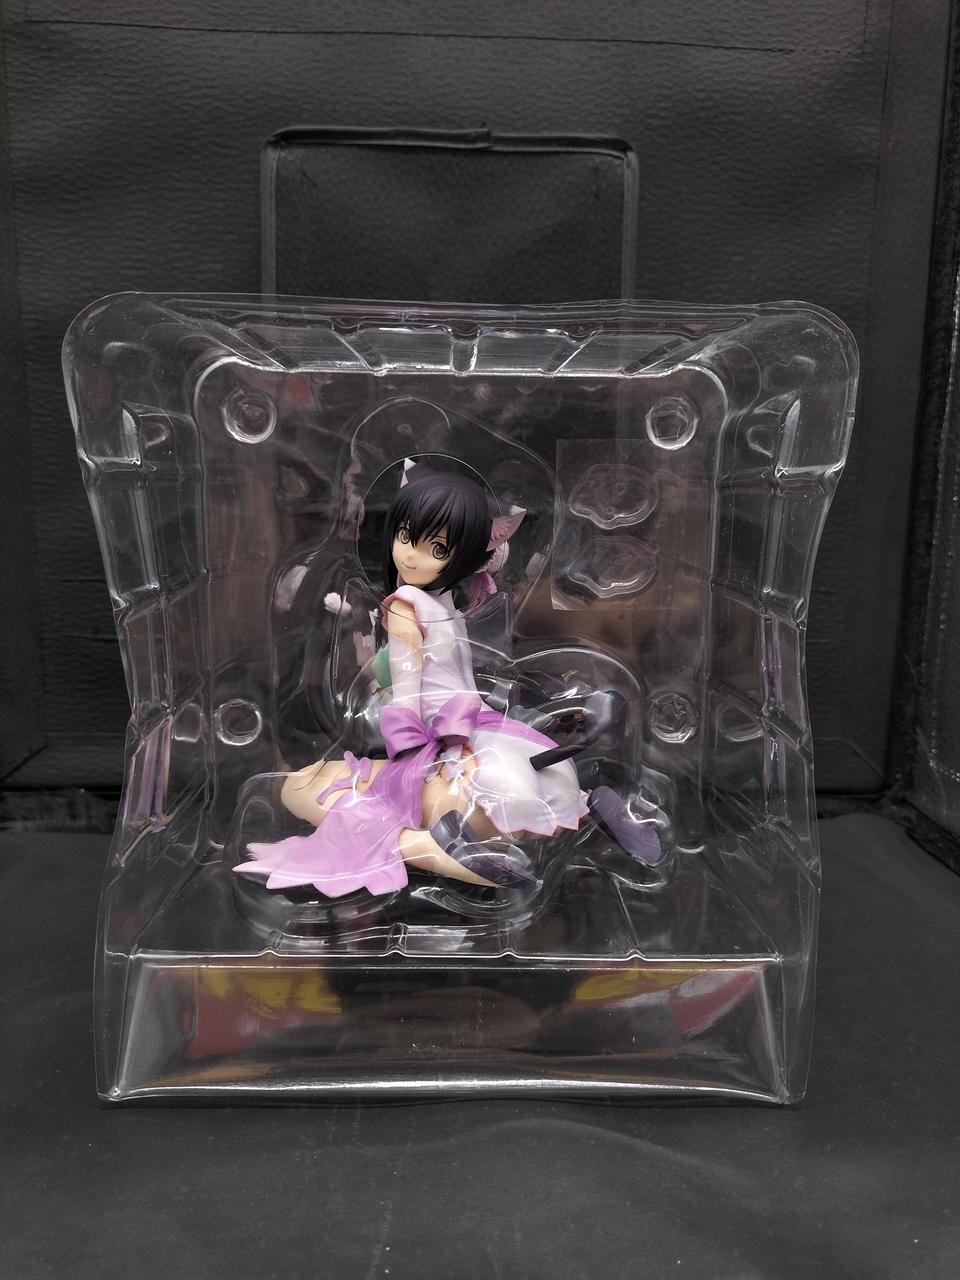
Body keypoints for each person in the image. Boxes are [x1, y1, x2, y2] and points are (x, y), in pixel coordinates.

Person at [235, 462, 661, 898]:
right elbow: (431, 677)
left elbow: (417, 683)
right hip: (465, 723)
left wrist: (415, 739)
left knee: (376, 810)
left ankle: (445, 846)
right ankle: (578, 802)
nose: (410, 555)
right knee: (518, 772)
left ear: (467, 555)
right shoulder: (438, 605)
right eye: (405, 536)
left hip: (447, 727)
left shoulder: (414, 605)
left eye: (436, 548)